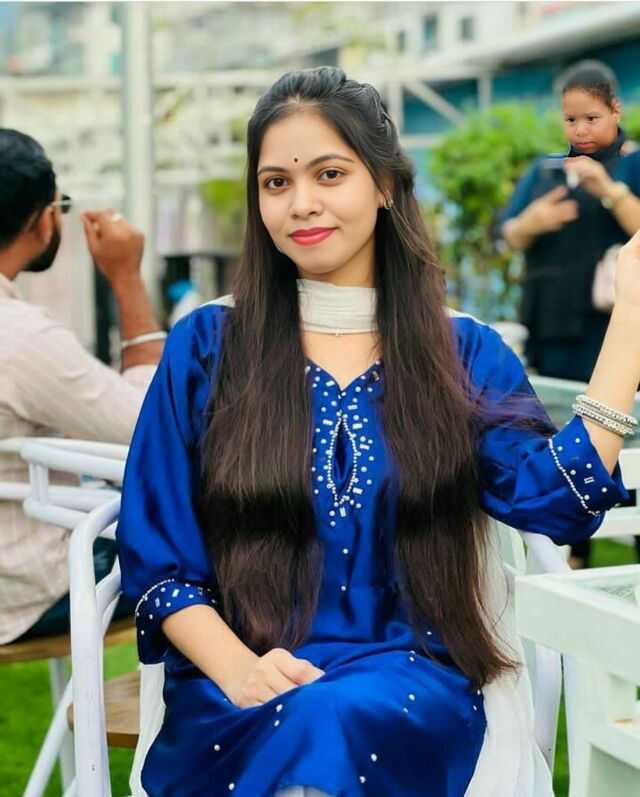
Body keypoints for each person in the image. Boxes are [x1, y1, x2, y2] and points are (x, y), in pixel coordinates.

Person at [116, 67, 639, 797]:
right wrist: (240, 670)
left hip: (410, 678)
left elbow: (557, 503)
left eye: (330, 174)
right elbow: (159, 562)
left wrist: (632, 319)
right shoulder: (207, 344)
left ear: (386, 184)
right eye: (275, 182)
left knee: (333, 717)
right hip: (235, 682)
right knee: (309, 717)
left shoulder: (461, 352)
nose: (302, 202)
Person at [0, 128, 165, 644]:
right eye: (60, 206)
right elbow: (148, 427)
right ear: (40, 219)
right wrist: (127, 279)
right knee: (218, 549)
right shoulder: (21, 338)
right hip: (30, 588)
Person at [500, 61, 640, 570]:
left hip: (613, 331)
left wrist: (610, 191)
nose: (580, 130)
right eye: (571, 119)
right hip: (552, 327)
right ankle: (573, 556)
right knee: (563, 437)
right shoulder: (545, 169)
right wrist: (534, 221)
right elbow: (508, 233)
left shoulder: (632, 164)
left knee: (626, 438)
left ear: (615, 111)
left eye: (591, 118)